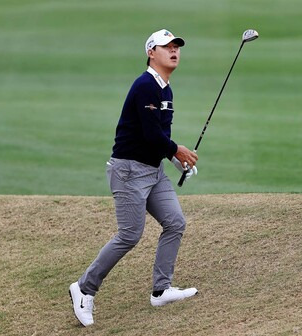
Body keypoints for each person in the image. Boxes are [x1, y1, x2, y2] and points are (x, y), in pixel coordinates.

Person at [69, 29, 199, 327]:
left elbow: (158, 137)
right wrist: (177, 150)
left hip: (152, 172)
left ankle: (161, 289)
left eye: (176, 46)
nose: (174, 50)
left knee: (175, 222)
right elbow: (151, 134)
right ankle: (84, 288)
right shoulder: (145, 86)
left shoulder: (165, 89)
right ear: (151, 53)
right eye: (166, 46)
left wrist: (174, 159)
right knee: (129, 234)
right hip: (128, 171)